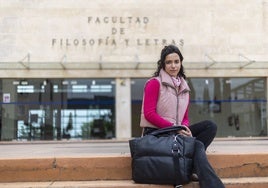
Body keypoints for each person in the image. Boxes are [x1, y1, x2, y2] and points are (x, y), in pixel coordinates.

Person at [140, 44, 225, 188]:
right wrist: (175, 128)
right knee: (196, 145)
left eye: (176, 61)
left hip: (175, 132)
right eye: (168, 62)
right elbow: (149, 114)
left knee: (210, 126)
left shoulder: (184, 87)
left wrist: (185, 129)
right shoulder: (154, 83)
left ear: (181, 62)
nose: (173, 66)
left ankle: (187, 166)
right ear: (163, 64)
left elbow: (184, 116)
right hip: (156, 133)